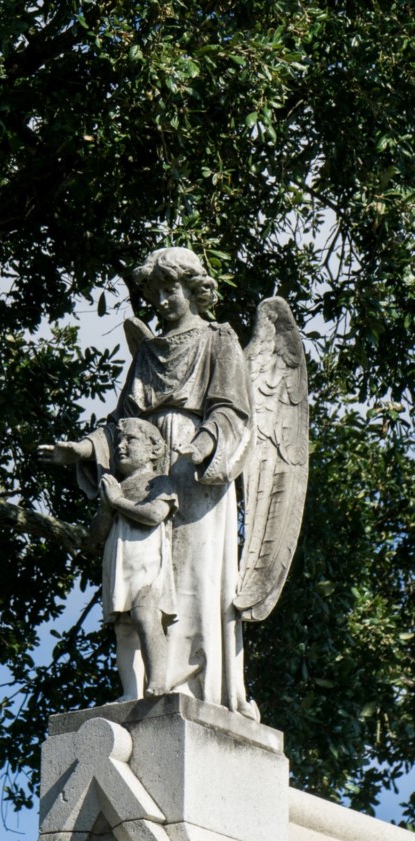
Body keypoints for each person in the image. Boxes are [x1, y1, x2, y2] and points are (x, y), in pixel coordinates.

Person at [40, 247, 258, 719]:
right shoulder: (149, 354)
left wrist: (200, 445)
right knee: (147, 578)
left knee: (195, 574)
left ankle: (202, 684)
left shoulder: (218, 339)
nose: (160, 300)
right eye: (153, 292)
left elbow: (234, 412)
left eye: (169, 289)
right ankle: (148, 682)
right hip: (147, 470)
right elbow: (122, 424)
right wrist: (83, 448)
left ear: (194, 289)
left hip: (197, 470)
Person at [88, 418, 178, 701]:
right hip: (119, 562)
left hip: (147, 561)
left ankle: (159, 681)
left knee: (144, 614)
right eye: (119, 442)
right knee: (124, 628)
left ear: (155, 449)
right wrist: (106, 506)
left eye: (131, 440)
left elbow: (154, 515)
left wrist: (117, 503)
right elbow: (95, 535)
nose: (121, 447)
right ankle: (130, 692)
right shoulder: (116, 486)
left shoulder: (159, 482)